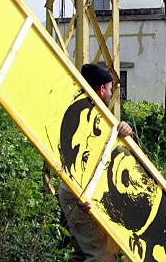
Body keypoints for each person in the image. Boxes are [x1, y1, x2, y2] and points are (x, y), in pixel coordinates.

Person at [58, 63, 133, 262]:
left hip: (77, 191)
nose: (111, 94)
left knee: (83, 253)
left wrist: (123, 130)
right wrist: (86, 194)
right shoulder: (87, 117)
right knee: (102, 255)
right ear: (101, 90)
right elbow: (82, 159)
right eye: (109, 89)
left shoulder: (86, 113)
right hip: (81, 192)